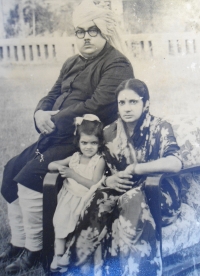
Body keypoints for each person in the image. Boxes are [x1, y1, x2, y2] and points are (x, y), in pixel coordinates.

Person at [0, 0, 134, 273]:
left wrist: (53, 117)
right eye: (80, 31)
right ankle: (18, 242)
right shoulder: (72, 61)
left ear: (104, 32)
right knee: (10, 170)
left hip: (82, 142)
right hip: (55, 136)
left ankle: (35, 250)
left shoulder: (116, 63)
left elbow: (95, 105)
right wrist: (40, 113)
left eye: (92, 31)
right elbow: (51, 95)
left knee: (28, 180)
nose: (85, 37)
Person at [56, 79, 183, 276]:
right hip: (120, 189)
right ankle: (76, 262)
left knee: (131, 199)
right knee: (99, 197)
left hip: (157, 193)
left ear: (146, 103)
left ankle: (136, 271)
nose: (127, 108)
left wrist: (137, 168)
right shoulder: (109, 132)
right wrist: (108, 180)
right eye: (122, 103)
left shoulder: (160, 127)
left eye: (133, 102)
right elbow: (102, 169)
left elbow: (175, 162)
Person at [48, 114, 105, 272]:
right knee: (60, 221)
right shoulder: (74, 158)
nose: (88, 147)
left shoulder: (98, 160)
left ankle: (68, 253)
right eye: (84, 142)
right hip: (68, 198)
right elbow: (52, 164)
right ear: (78, 142)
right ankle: (57, 255)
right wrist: (58, 167)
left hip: (86, 198)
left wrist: (73, 175)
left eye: (93, 143)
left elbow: (94, 184)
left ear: (99, 143)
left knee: (77, 225)